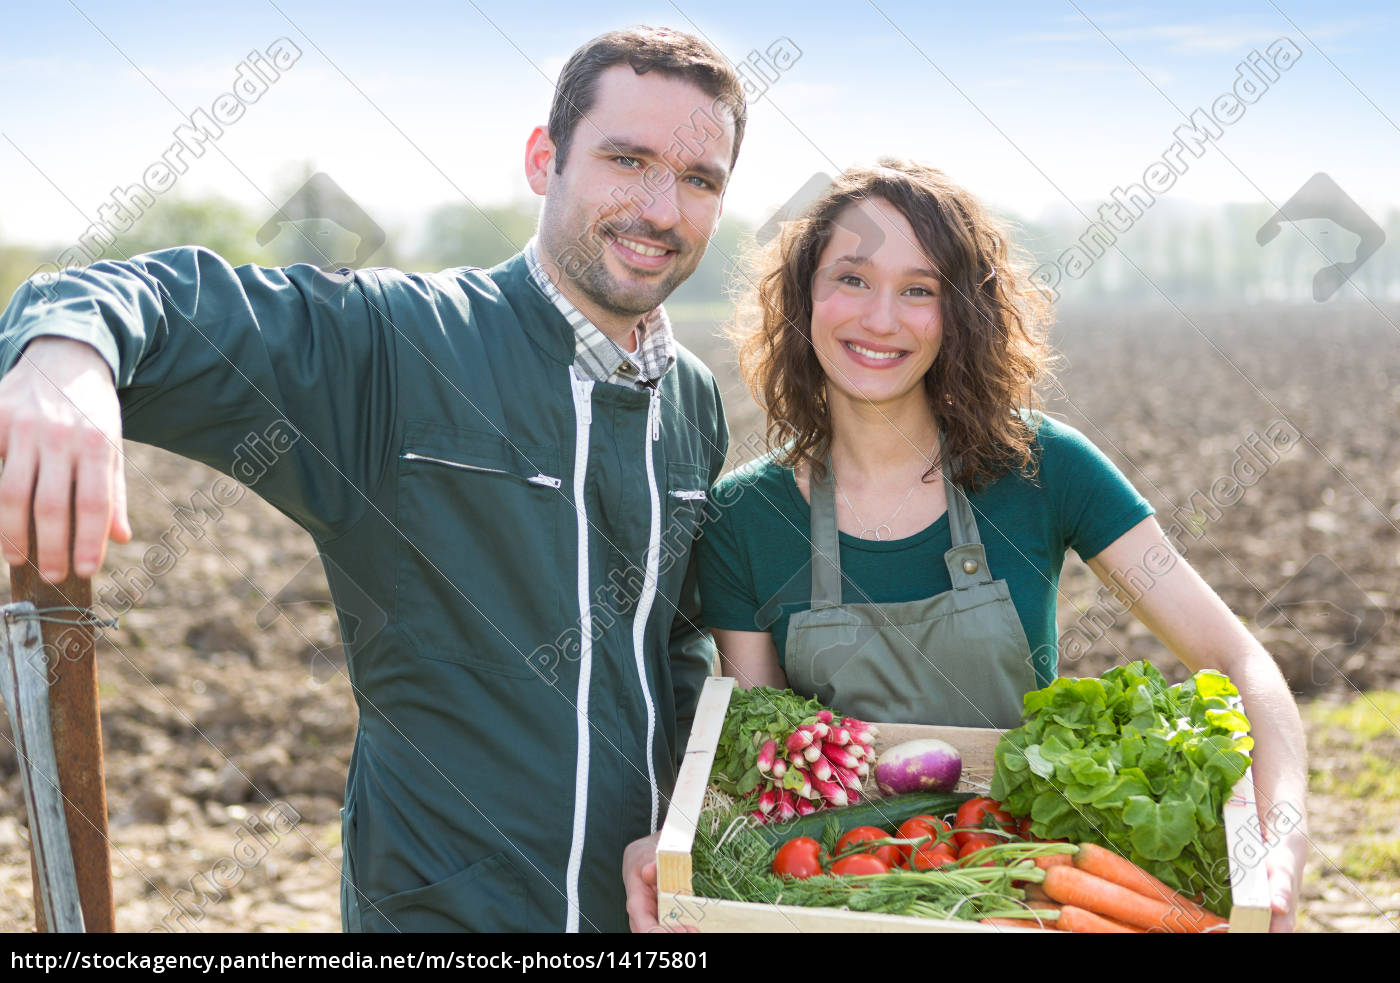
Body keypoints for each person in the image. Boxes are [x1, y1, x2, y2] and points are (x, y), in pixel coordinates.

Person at [0, 26, 743, 933]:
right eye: (627, 159)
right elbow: (159, 302)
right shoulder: (398, 345)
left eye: (699, 178)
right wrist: (64, 353)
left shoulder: (693, 403)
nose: (661, 207)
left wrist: (676, 824)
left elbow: (674, 646)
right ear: (544, 160)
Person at [693, 160, 1309, 931]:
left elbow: (1240, 660)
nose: (881, 318)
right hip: (846, 898)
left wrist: (1280, 834)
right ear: (801, 299)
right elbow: (766, 767)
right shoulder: (744, 517)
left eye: (919, 289)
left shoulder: (1042, 469)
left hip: (1030, 895)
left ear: (960, 315)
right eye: (851, 278)